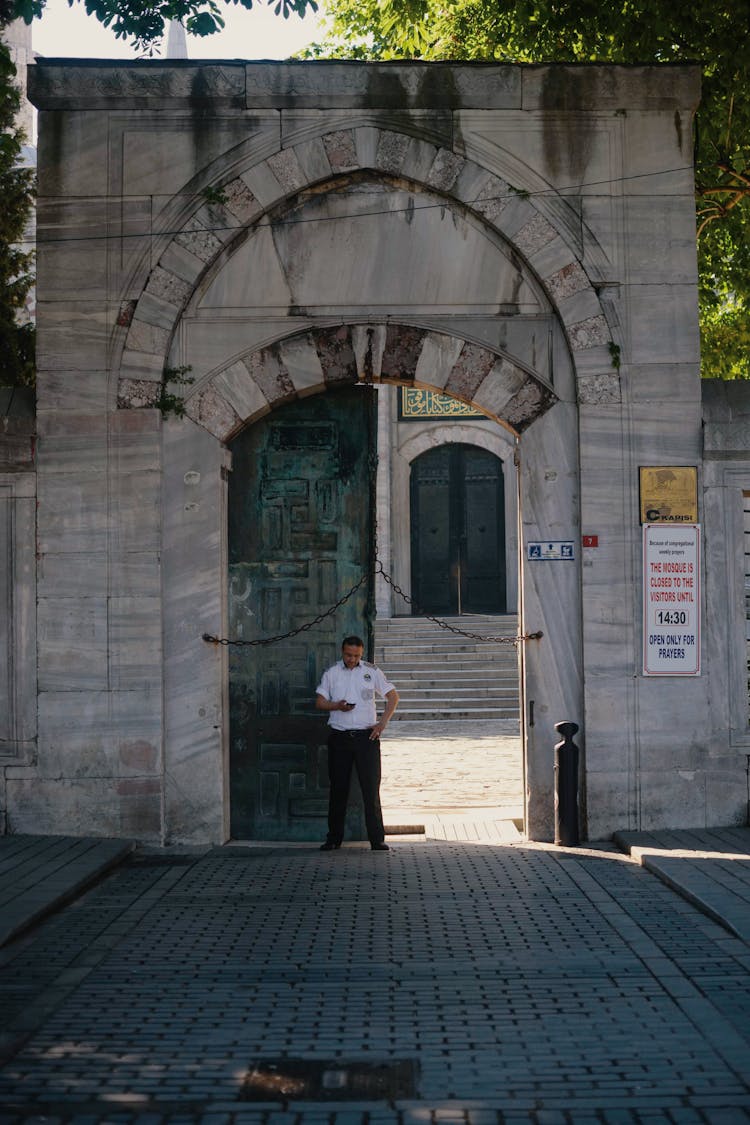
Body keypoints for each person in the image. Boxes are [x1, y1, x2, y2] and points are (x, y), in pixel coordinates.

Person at [315, 635, 399, 852]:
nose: (351, 659)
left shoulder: (371, 672)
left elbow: (393, 697)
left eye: (356, 656)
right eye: (348, 655)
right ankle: (334, 839)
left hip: (366, 739)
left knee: (371, 790)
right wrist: (336, 706)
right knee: (338, 790)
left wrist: (382, 724)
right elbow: (320, 702)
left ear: (361, 654)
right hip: (340, 738)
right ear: (342, 652)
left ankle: (376, 839)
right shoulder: (332, 673)